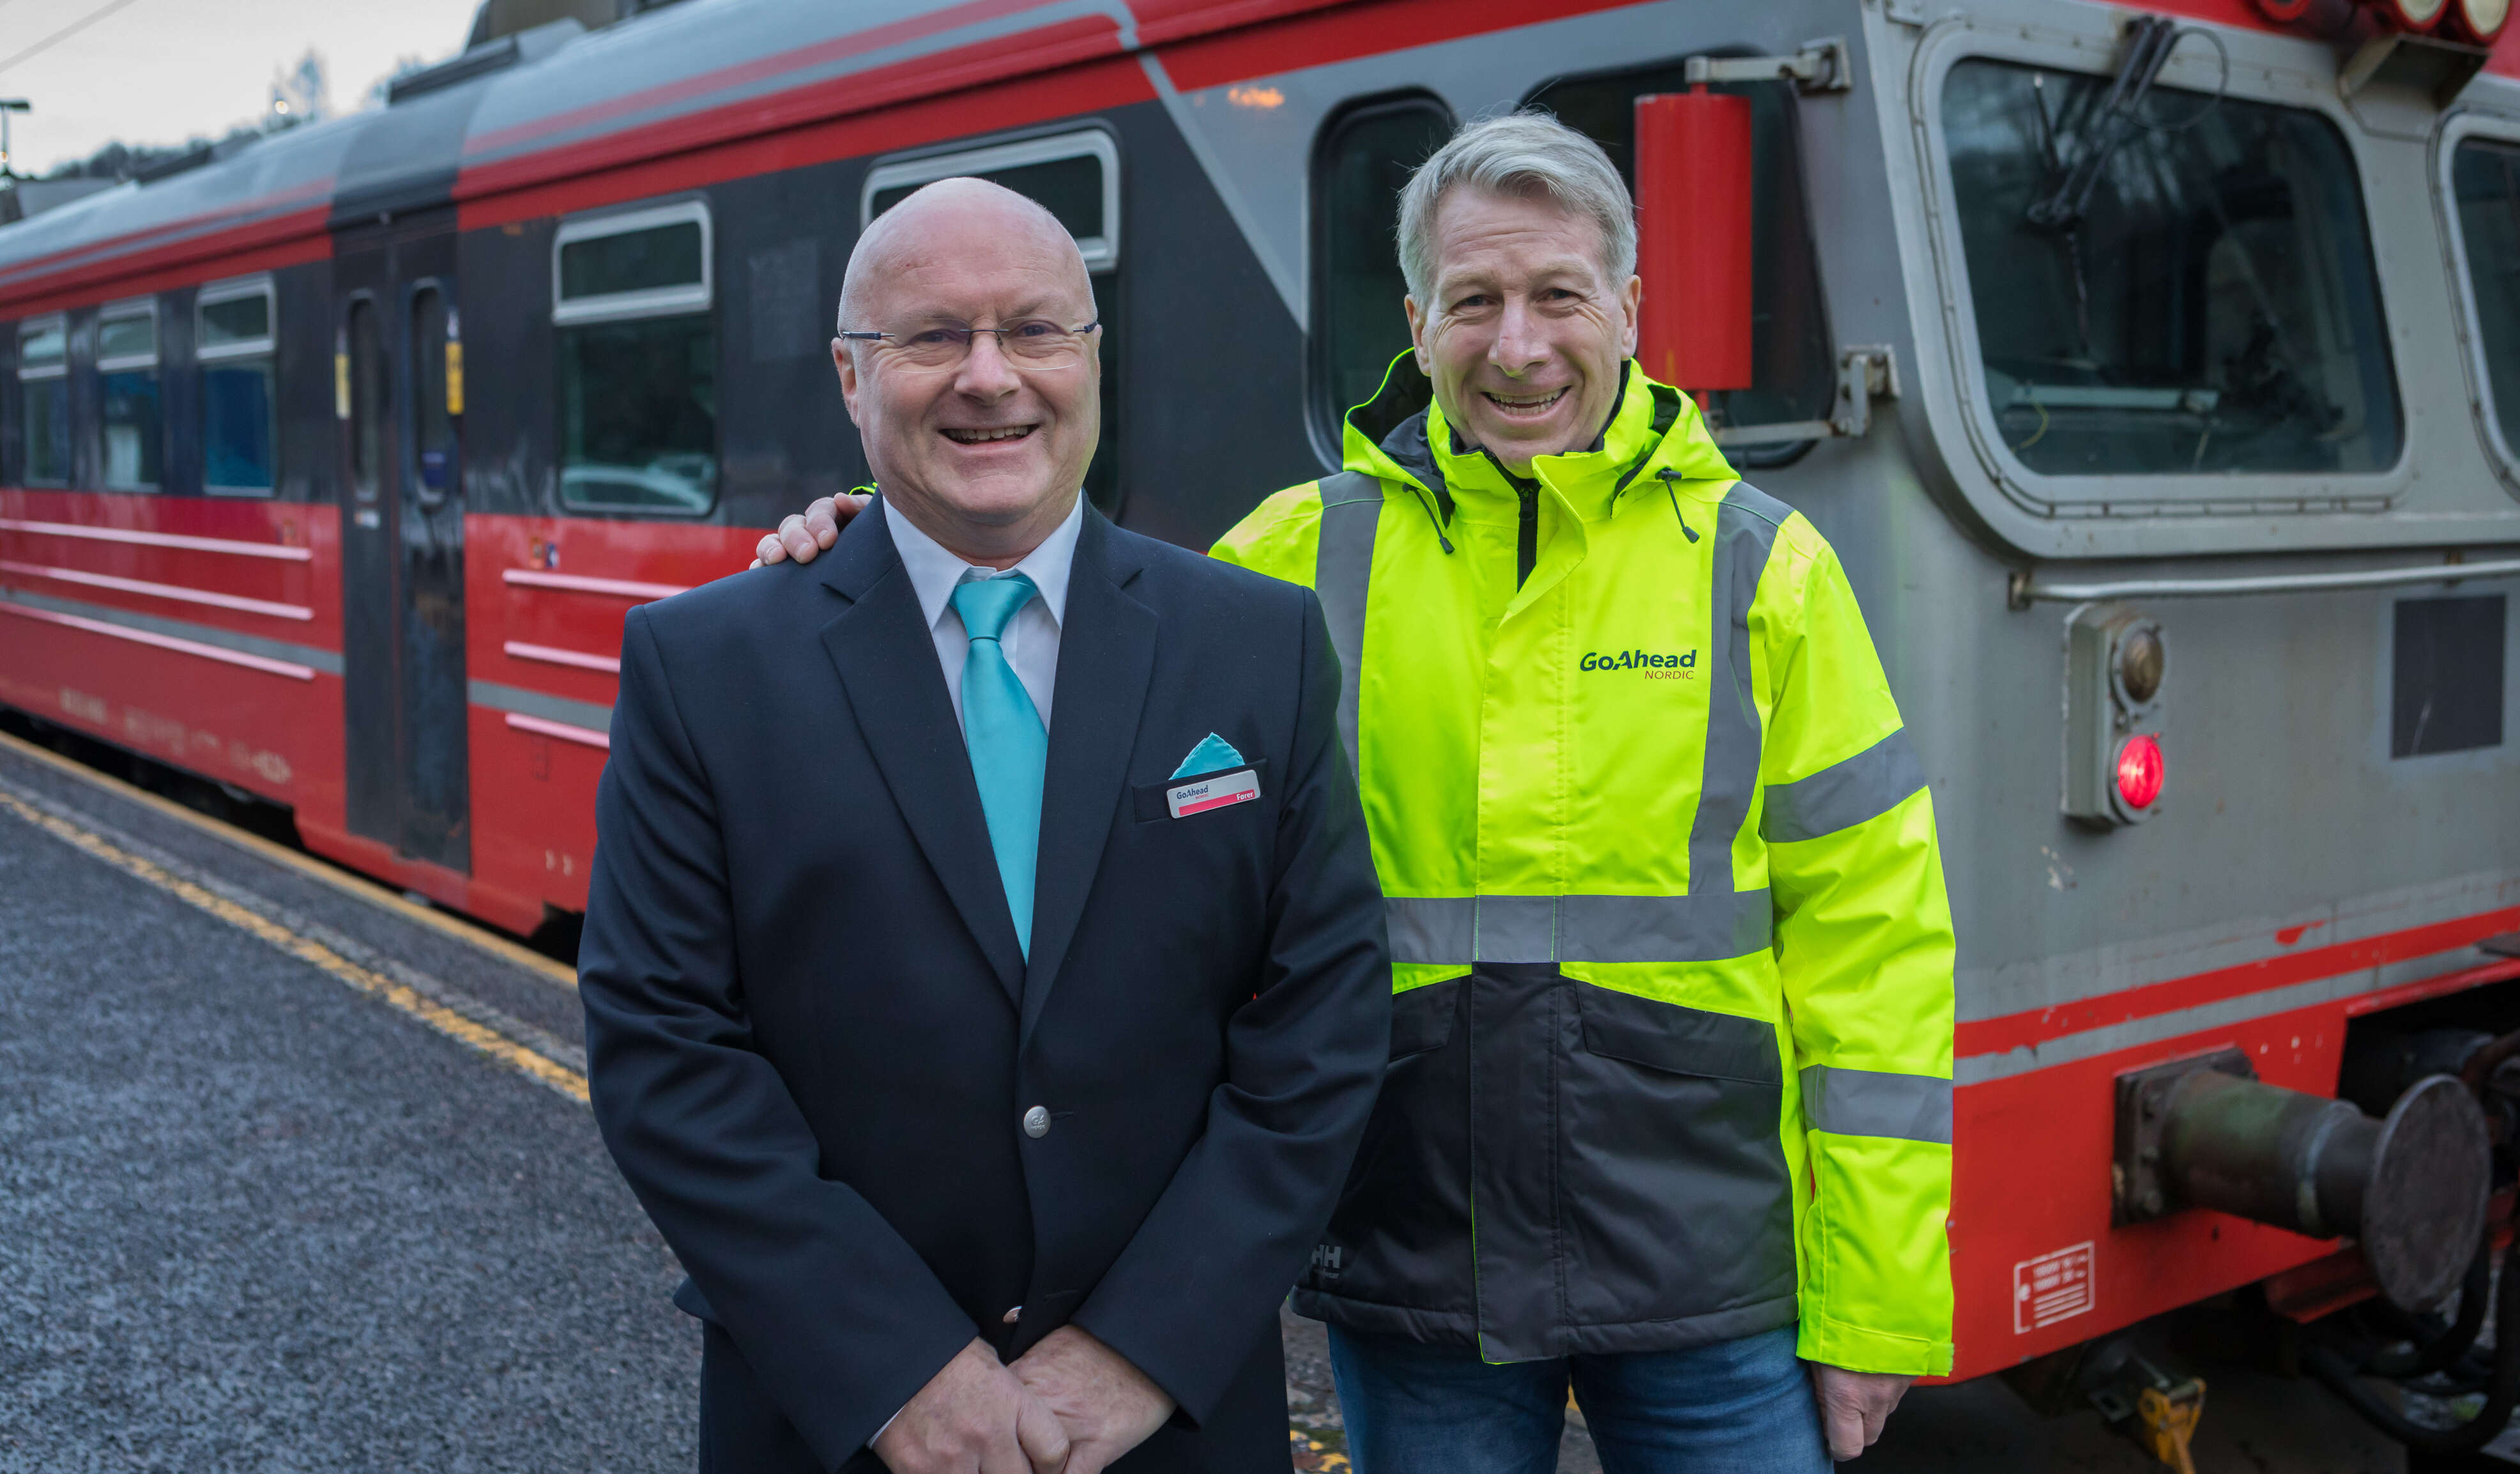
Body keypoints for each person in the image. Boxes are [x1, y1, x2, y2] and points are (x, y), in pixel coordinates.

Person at [758, 114, 1956, 1472]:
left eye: (1558, 297)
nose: (1517, 346)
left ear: (1628, 309)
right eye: (1474, 302)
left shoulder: (1765, 570)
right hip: (1415, 1267)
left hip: (1715, 1285)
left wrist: (1873, 1303)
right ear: (1417, 322)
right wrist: (875, 536)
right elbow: (1044, 630)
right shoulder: (1292, 558)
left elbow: (1874, 957)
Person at [586, 178, 1392, 1474]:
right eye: (930, 336)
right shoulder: (703, 665)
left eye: (1033, 329)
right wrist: (898, 1372)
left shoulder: (1257, 644)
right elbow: (663, 1047)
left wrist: (1140, 1348)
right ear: (851, 377)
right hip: (840, 1423)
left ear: (1090, 359)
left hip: (1166, 1423)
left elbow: (1324, 1020)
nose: (988, 375)